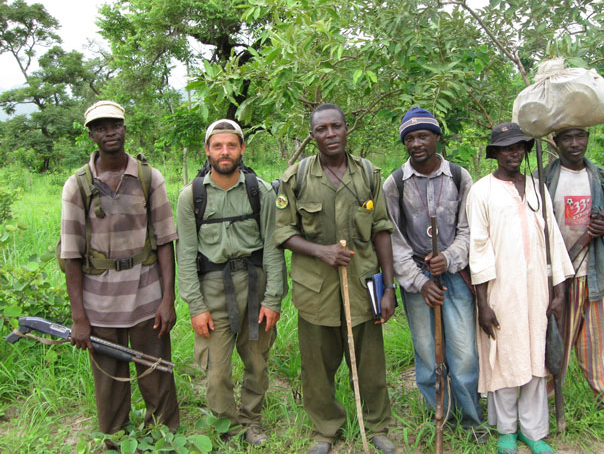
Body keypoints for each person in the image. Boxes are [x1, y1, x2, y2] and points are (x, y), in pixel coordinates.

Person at [273, 103, 397, 454]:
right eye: (322, 129)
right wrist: (321, 251)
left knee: (372, 364)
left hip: (362, 287)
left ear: (346, 129)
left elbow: (382, 231)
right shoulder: (295, 177)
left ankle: (377, 425)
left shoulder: (368, 174)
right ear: (312, 136)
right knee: (317, 365)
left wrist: (389, 288)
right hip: (316, 290)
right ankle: (325, 429)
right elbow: (283, 233)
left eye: (336, 127)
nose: (330, 134)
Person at [60, 100, 179, 438]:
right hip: (100, 305)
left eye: (114, 125)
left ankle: (166, 438)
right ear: (91, 135)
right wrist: (79, 317)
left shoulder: (148, 177)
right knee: (109, 384)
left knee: (156, 375)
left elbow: (166, 240)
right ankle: (116, 440)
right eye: (100, 127)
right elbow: (71, 254)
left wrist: (167, 298)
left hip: (146, 297)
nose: (109, 132)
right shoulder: (77, 186)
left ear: (125, 128)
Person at [177, 119, 286, 446]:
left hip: (255, 288)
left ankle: (251, 420)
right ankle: (229, 427)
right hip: (212, 294)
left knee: (257, 363)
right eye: (218, 146)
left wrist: (273, 299)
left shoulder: (260, 191)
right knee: (217, 372)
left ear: (242, 149)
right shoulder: (191, 196)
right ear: (207, 150)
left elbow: (273, 247)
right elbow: (185, 254)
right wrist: (195, 306)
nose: (225, 152)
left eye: (232, 145)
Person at [466, 123, 574, 454]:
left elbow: (552, 238)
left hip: (537, 288)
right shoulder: (482, 191)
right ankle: (506, 430)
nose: (514, 152)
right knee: (506, 356)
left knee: (536, 356)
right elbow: (479, 246)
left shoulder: (538, 188)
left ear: (526, 149)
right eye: (506, 147)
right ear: (495, 153)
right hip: (501, 289)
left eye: (519, 146)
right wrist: (483, 302)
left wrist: (558, 290)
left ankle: (533, 430)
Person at [382, 108, 486, 441]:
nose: (416, 143)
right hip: (416, 279)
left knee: (464, 351)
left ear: (437, 137)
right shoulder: (394, 184)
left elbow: (470, 230)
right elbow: (394, 241)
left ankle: (470, 420)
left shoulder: (459, 176)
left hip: (454, 275)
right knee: (427, 352)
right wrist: (420, 281)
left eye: (423, 135)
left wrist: (451, 257)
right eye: (409, 138)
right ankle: (437, 414)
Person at [542, 127, 604, 432]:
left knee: (600, 345)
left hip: (595, 275)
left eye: (581, 136)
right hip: (557, 280)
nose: (575, 143)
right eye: (567, 137)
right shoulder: (544, 180)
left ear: (588, 138)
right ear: (556, 141)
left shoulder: (601, 177)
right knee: (553, 343)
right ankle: (544, 409)